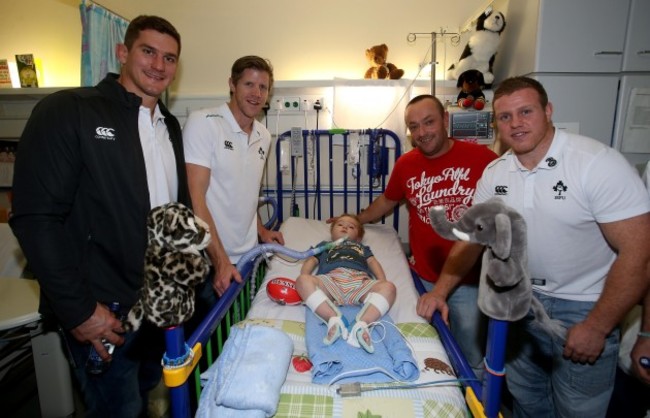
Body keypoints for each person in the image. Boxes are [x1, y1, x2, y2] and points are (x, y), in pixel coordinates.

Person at [438, 76, 650, 417]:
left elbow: (640, 254)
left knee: (578, 408)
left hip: (583, 306)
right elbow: (473, 239)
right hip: (519, 304)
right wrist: (439, 291)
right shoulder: (496, 173)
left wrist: (597, 326)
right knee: (527, 397)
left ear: (548, 111)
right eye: (505, 117)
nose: (516, 123)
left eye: (526, 112)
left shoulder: (595, 164)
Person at [9, 15, 188, 417]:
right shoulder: (71, 111)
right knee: (118, 408)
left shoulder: (169, 127)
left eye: (170, 58)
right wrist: (79, 311)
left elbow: (174, 213)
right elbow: (36, 218)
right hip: (102, 311)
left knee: (143, 395)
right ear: (123, 53)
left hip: (153, 307)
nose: (159, 65)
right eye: (148, 51)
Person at [348, 94, 497, 374]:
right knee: (427, 350)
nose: (421, 133)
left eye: (428, 123)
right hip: (424, 279)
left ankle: (473, 403)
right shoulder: (407, 164)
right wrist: (356, 219)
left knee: (471, 356)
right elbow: (388, 200)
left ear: (445, 119)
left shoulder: (484, 160)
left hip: (470, 282)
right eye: (413, 127)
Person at [183, 55, 284, 301]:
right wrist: (220, 261)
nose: (256, 93)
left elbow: (246, 190)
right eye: (248, 84)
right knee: (213, 335)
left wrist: (260, 229)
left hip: (248, 256)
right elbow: (195, 200)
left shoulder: (264, 135)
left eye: (263, 87)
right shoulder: (204, 123)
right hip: (210, 258)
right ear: (232, 84)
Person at [296, 214, 396, 353]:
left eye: (351, 227)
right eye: (340, 224)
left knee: (389, 287)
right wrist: (305, 276)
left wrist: (381, 281)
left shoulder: (361, 247)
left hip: (359, 282)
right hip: (330, 280)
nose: (345, 227)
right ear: (332, 232)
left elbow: (373, 263)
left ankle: (362, 324)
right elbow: (311, 261)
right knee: (302, 281)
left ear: (358, 237)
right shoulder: (324, 246)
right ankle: (333, 318)